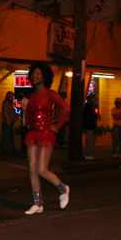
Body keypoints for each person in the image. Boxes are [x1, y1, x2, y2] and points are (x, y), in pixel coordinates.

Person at [23, 62, 71, 214]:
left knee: (42, 170)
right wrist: (27, 120)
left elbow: (66, 109)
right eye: (33, 73)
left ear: (45, 76)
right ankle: (38, 204)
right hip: (33, 134)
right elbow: (29, 114)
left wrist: (57, 127)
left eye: (38, 73)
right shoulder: (32, 96)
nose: (34, 75)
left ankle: (63, 189)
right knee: (32, 169)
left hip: (45, 134)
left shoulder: (50, 93)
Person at [83, 93, 99, 159]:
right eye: (94, 98)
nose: (95, 100)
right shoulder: (88, 106)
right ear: (92, 98)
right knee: (90, 140)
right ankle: (88, 154)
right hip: (89, 126)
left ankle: (90, 153)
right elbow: (89, 116)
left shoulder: (89, 105)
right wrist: (95, 116)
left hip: (90, 126)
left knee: (91, 140)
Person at [17, 92, 29, 158]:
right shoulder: (26, 101)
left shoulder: (23, 102)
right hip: (26, 122)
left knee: (25, 138)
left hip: (26, 122)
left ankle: (26, 154)